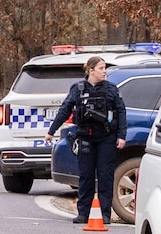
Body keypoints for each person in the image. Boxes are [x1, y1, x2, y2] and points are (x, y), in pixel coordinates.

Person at [44, 56, 127, 224]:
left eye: (105, 68)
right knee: (85, 176)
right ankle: (83, 213)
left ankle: (104, 214)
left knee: (105, 176)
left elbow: (121, 112)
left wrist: (121, 136)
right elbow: (65, 110)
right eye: (101, 68)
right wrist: (51, 131)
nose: (105, 71)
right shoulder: (78, 89)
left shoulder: (111, 89)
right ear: (91, 71)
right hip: (85, 137)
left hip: (106, 138)